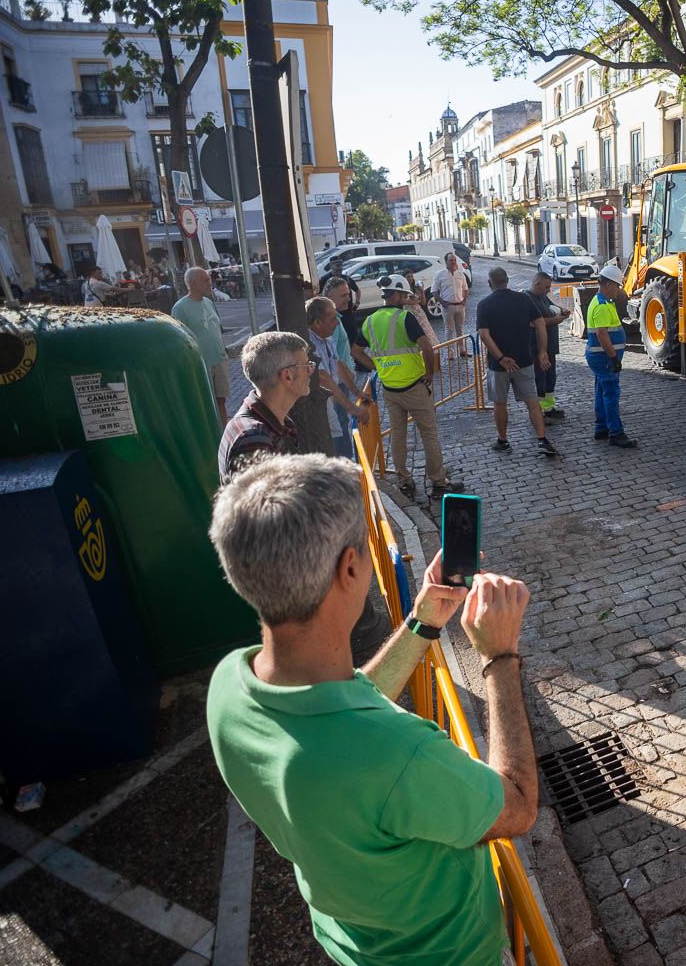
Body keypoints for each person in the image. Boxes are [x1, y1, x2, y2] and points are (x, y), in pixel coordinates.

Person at [206, 454, 538, 966]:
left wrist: (424, 621)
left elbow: (348, 704)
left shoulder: (229, 686)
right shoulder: (397, 756)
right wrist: (500, 657)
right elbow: (516, 804)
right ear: (351, 567)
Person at [351, 274, 465, 497]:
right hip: (414, 386)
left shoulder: (370, 321)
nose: (405, 298)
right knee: (429, 434)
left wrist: (376, 366)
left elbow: (356, 351)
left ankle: (404, 480)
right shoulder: (405, 318)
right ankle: (438, 481)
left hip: (390, 389)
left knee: (398, 435)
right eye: (403, 294)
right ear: (394, 295)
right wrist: (429, 373)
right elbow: (427, 347)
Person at [475, 268, 558, 457]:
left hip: (498, 366)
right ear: (507, 280)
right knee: (532, 401)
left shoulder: (484, 304)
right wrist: (543, 351)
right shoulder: (524, 299)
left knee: (500, 403)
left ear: (490, 283)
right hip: (524, 360)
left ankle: (503, 441)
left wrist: (501, 358)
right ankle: (541, 439)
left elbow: (484, 335)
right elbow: (540, 325)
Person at [219, 331, 313, 480]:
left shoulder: (277, 423)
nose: (310, 371)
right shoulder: (254, 439)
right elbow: (263, 502)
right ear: (287, 376)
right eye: (306, 365)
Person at [306, 297, 372, 459]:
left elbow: (337, 364)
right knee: (331, 444)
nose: (337, 323)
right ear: (317, 323)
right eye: (333, 318)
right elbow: (324, 378)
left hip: (329, 399)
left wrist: (357, 392)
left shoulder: (327, 338)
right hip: (317, 405)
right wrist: (352, 408)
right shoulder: (309, 344)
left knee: (339, 433)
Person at [171, 266, 232, 428]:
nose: (209, 283)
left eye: (209, 279)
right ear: (193, 283)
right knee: (205, 401)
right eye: (205, 280)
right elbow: (178, 340)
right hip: (201, 362)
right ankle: (210, 434)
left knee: (221, 399)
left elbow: (216, 328)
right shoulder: (180, 308)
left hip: (219, 359)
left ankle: (224, 433)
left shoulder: (209, 302)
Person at [585, 265, 636, 448]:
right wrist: (613, 358)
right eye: (617, 285)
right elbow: (602, 334)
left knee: (601, 390)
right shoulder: (602, 306)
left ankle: (601, 428)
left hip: (600, 357)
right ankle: (616, 432)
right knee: (611, 394)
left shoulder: (603, 302)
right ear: (607, 284)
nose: (618, 289)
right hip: (604, 358)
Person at [527, 271, 570, 419]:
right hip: (537, 347)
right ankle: (540, 412)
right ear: (536, 284)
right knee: (540, 379)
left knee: (550, 377)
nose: (548, 290)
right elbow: (535, 323)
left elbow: (552, 305)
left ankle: (549, 408)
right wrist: (557, 320)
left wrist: (562, 310)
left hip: (550, 346)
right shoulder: (528, 299)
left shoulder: (542, 297)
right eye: (546, 287)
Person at [431, 252, 472, 345]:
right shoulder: (439, 274)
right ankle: (450, 353)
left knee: (460, 329)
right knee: (449, 330)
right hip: (447, 307)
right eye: (451, 260)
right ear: (446, 262)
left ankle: (462, 350)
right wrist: (442, 302)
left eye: (454, 260)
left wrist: (465, 300)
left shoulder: (461, 274)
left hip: (460, 306)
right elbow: (434, 291)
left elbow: (465, 289)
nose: (453, 262)